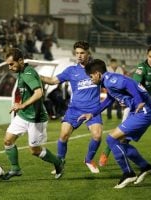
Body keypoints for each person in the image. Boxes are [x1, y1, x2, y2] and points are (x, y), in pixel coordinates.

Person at [79, 59, 151, 189]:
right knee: (121, 143)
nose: (91, 80)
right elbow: (109, 99)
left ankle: (128, 173)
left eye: (91, 76)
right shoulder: (108, 82)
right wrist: (92, 113)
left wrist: (138, 101)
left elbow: (128, 83)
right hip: (140, 111)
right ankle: (145, 167)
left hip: (143, 111)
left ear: (98, 74)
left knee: (111, 139)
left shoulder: (110, 79)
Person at [99, 44, 151, 166]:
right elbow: (135, 86)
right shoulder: (141, 68)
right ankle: (105, 153)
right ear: (147, 56)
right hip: (137, 104)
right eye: (150, 56)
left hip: (150, 106)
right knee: (122, 134)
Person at [40, 41, 103, 174]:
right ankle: (60, 162)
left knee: (97, 136)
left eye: (82, 53)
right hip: (75, 109)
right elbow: (52, 80)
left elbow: (108, 82)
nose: (79, 56)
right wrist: (37, 76)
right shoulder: (71, 71)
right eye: (77, 53)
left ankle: (88, 159)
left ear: (88, 53)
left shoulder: (97, 68)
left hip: (93, 109)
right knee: (63, 135)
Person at [2, 48, 64, 180]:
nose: (9, 67)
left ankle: (58, 162)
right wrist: (20, 105)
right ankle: (15, 169)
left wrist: (22, 105)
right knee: (8, 140)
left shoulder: (28, 73)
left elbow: (38, 93)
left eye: (11, 64)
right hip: (23, 115)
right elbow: (26, 93)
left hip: (36, 119)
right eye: (8, 64)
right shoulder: (22, 71)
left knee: (35, 151)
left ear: (20, 61)